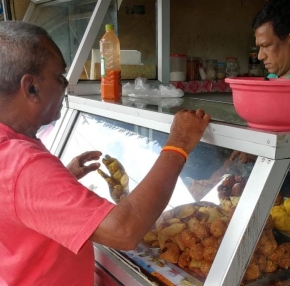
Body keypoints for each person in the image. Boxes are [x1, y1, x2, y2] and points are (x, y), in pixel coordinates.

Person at [0, 21, 210, 285]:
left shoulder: (10, 146)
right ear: (31, 87)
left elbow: (16, 200)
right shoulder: (25, 166)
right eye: (59, 77)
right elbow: (124, 231)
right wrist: (178, 144)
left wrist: (59, 182)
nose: (66, 85)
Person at [230, 0, 290, 198]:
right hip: (274, 177)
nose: (260, 56)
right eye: (258, 47)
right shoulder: (271, 80)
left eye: (266, 46)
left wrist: (261, 148)